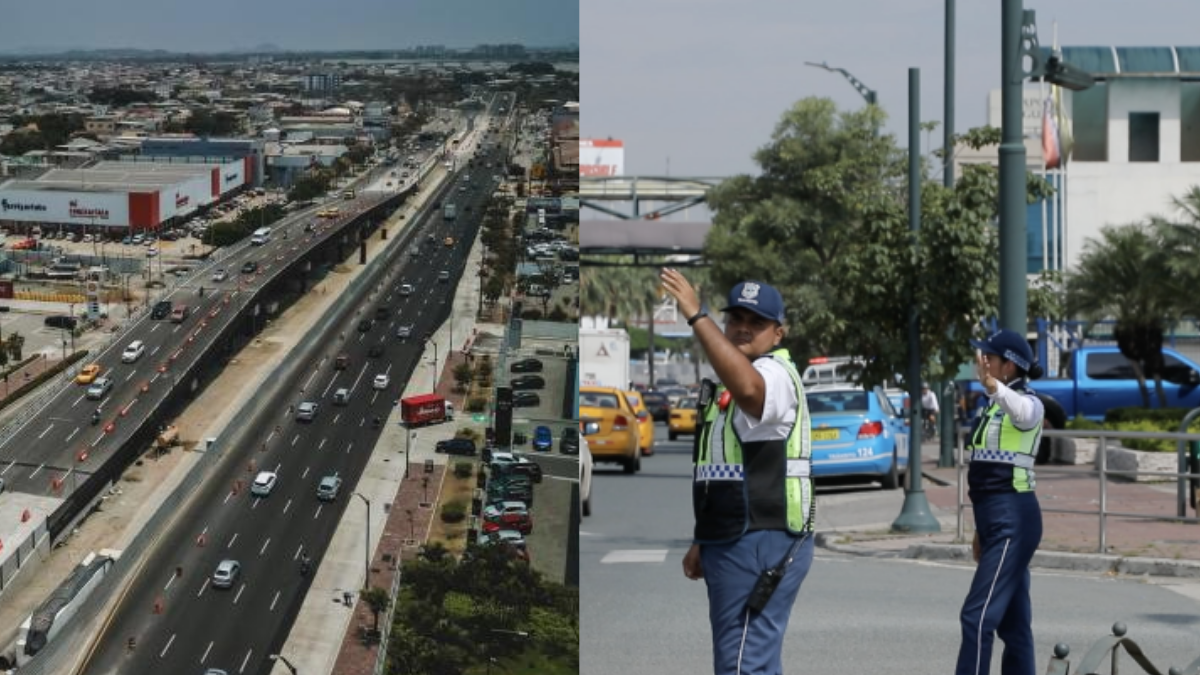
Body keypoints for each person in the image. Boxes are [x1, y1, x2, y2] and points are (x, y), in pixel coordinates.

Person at [660, 270, 815, 675]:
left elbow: (751, 393)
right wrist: (704, 540)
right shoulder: (734, 379)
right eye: (736, 320)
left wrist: (697, 315)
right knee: (753, 661)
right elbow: (723, 471)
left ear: (778, 333)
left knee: (742, 664)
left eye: (757, 323)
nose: (743, 329)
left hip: (761, 536)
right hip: (734, 536)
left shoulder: (775, 375)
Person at [957, 329, 1047, 675]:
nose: (983, 364)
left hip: (1014, 519)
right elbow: (983, 476)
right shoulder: (991, 407)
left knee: (977, 617)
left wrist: (994, 387)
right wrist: (981, 529)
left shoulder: (1028, 404)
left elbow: (1023, 413)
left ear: (1008, 366)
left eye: (989, 359)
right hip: (995, 520)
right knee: (1015, 624)